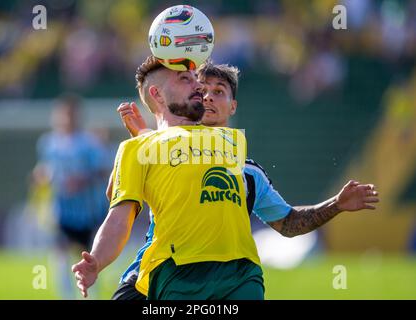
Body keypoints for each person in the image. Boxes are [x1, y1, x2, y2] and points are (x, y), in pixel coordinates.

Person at [108, 61, 380, 300]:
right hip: (153, 276)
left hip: (229, 278)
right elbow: (116, 196)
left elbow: (288, 223)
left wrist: (337, 204)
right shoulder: (160, 147)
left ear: (233, 106)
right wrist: (142, 140)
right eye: (201, 91)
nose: (208, 98)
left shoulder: (248, 173)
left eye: (219, 92)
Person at [72, 55, 266, 300]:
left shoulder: (231, 139)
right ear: (158, 94)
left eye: (195, 78)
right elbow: (119, 218)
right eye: (185, 79)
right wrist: (96, 261)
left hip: (242, 272)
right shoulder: (137, 148)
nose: (198, 85)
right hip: (178, 273)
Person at [34, 94, 109, 298]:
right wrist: (41, 176)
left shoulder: (89, 143)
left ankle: (91, 294)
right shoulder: (48, 142)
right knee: (60, 253)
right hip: (62, 210)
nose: (66, 118)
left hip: (87, 211)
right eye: (63, 114)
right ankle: (66, 295)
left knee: (87, 257)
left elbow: (103, 170)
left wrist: (81, 180)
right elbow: (46, 169)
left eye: (71, 114)